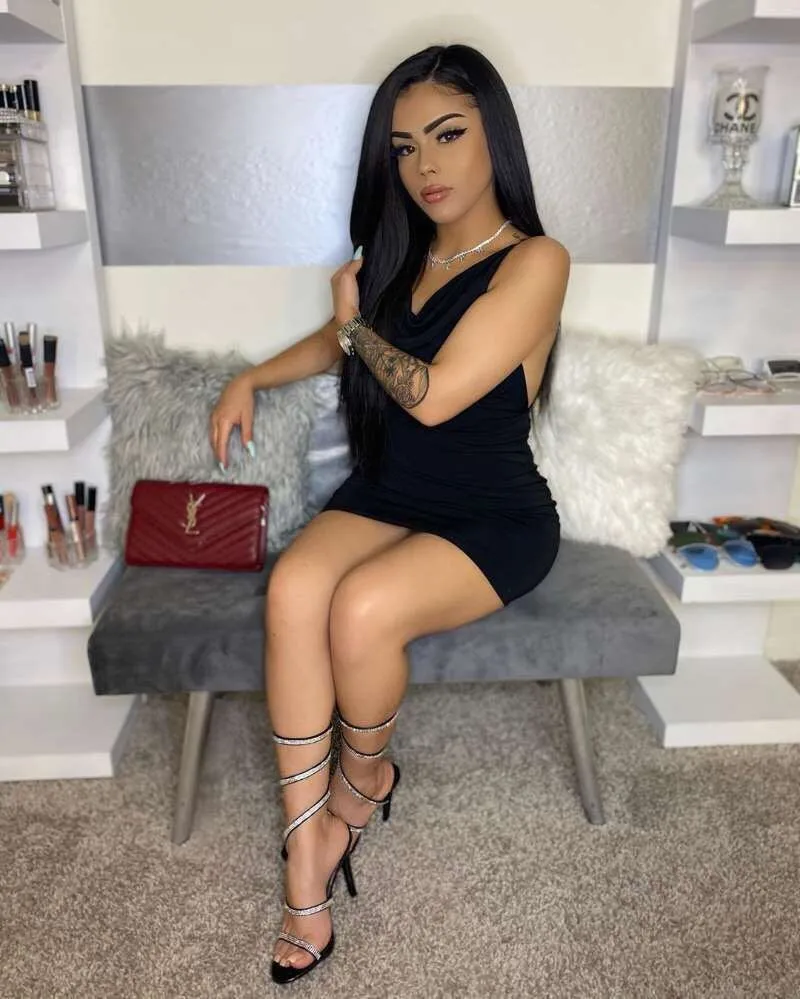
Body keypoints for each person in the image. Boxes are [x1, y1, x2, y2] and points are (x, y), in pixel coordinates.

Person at [209, 42, 569, 985]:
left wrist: (353, 323)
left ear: (494, 133)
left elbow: (434, 395)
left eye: (447, 135)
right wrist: (252, 376)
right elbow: (338, 346)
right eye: (405, 148)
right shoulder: (409, 252)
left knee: (362, 609)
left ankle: (364, 782)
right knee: (295, 588)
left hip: (493, 514)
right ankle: (306, 852)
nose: (424, 166)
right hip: (392, 490)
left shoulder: (536, 260)